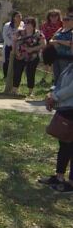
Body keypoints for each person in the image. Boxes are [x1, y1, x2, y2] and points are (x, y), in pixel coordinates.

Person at [40, 61, 73, 193]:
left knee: (71, 145)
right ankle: (59, 177)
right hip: (65, 107)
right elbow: (59, 83)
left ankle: (71, 183)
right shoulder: (70, 65)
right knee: (64, 144)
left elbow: (71, 88)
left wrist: (55, 97)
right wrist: (51, 94)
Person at [12, 17, 46, 96]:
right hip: (19, 56)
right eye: (26, 23)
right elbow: (14, 41)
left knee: (30, 73)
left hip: (32, 57)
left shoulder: (38, 34)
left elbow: (43, 45)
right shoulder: (20, 32)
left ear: (33, 24)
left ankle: (30, 92)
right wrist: (15, 51)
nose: (27, 25)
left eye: (29, 23)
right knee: (17, 72)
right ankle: (14, 90)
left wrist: (32, 49)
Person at [49, 9, 73, 83]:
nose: (64, 21)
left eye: (67, 20)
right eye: (64, 19)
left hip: (66, 57)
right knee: (56, 73)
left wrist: (58, 41)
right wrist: (54, 42)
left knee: (64, 75)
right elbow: (50, 40)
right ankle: (56, 89)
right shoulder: (60, 29)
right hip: (56, 55)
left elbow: (70, 43)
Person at [40, 9, 63, 84]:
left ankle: (54, 79)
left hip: (58, 46)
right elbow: (42, 35)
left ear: (58, 16)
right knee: (46, 63)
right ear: (49, 17)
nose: (53, 17)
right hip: (47, 46)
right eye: (51, 16)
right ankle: (44, 79)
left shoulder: (62, 24)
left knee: (55, 63)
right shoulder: (45, 25)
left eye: (55, 15)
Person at [2, 11, 24, 78]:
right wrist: (11, 44)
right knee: (7, 61)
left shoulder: (23, 24)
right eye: (17, 16)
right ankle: (6, 75)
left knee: (17, 61)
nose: (19, 18)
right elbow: (4, 35)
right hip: (9, 46)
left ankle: (14, 75)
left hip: (19, 46)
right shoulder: (7, 25)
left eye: (20, 16)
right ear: (14, 17)